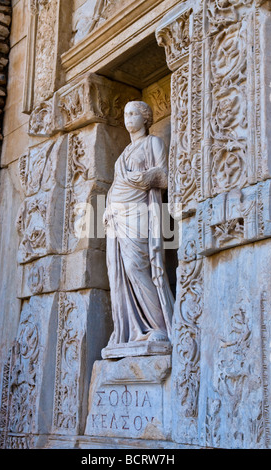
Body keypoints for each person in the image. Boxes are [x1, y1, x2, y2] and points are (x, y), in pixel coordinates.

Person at [103, 101, 174, 349]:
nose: (128, 118)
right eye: (125, 114)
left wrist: (147, 177)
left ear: (145, 118)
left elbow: (165, 176)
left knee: (137, 266)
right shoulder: (123, 153)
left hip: (140, 212)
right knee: (120, 272)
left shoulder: (153, 143)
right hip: (118, 215)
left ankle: (160, 327)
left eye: (133, 114)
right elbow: (115, 185)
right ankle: (132, 331)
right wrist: (109, 208)